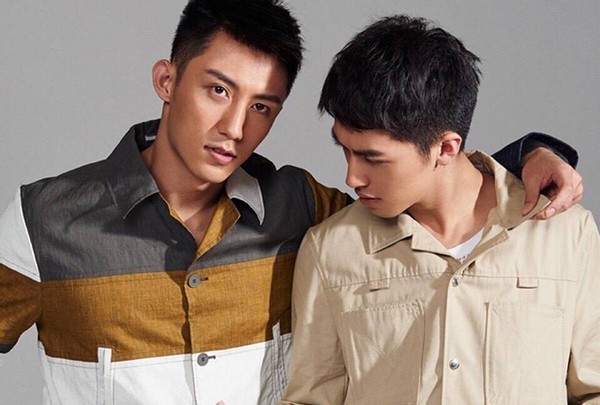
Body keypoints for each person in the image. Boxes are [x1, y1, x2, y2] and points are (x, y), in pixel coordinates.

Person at [0, 1, 583, 404]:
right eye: (218, 89)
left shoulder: (302, 209)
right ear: (167, 80)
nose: (235, 128)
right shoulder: (43, 221)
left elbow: (428, 188)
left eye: (262, 106)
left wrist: (531, 155)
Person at [281, 15, 600, 404]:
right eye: (345, 150)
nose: (352, 178)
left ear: (446, 148)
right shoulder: (330, 250)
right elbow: (310, 398)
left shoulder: (566, 233)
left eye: (372, 158)